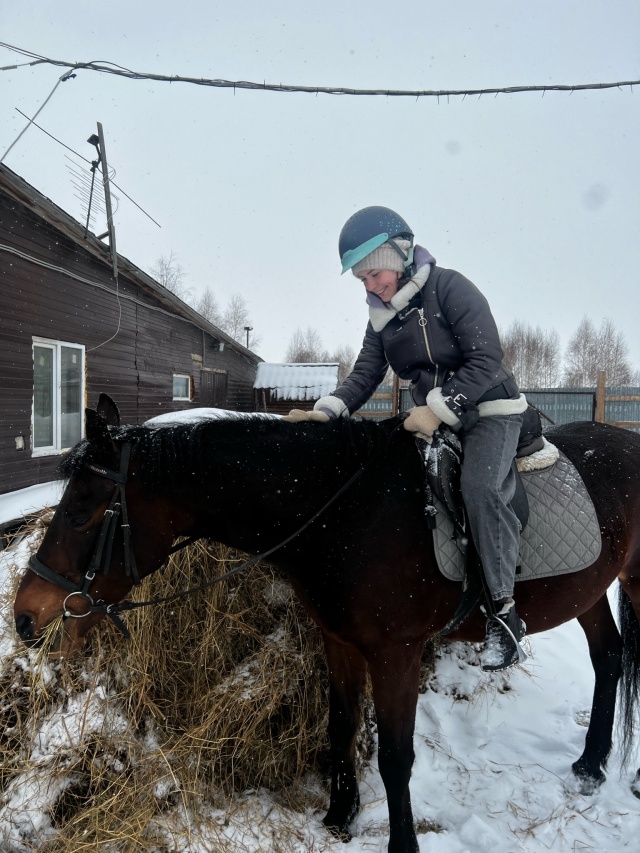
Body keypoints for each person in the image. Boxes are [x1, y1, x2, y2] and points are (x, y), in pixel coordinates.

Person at [286, 205, 528, 671]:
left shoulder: (450, 287)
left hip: (490, 409)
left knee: (479, 486)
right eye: (363, 281)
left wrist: (438, 409)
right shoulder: (381, 318)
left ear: (398, 254)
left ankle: (503, 613)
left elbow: (486, 358)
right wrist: (327, 412)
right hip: (431, 418)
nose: (372, 286)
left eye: (375, 274)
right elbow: (364, 375)